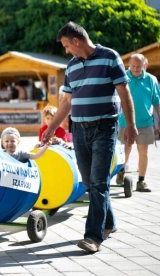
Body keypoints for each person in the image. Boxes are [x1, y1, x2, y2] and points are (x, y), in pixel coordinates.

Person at [42, 21, 137, 253]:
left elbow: (124, 93)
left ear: (76, 41)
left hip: (105, 127)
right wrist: (51, 128)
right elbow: (66, 103)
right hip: (80, 130)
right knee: (90, 182)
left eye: (66, 45)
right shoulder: (71, 66)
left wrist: (131, 126)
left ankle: (93, 237)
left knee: (99, 182)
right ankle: (109, 222)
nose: (66, 51)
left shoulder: (109, 57)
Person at [116, 54, 160, 192]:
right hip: (125, 122)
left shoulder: (151, 80)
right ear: (129, 65)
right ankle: (121, 171)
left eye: (138, 66)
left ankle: (141, 181)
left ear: (144, 65)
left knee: (144, 152)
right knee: (125, 151)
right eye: (133, 66)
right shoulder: (123, 78)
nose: (135, 69)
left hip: (145, 123)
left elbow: (157, 102)